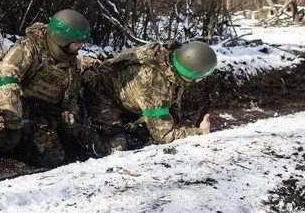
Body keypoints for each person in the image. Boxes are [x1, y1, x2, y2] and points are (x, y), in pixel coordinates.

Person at [0, 9, 100, 167]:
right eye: (77, 42)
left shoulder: (72, 65)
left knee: (53, 158)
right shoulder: (29, 48)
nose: (81, 46)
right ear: (62, 39)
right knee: (6, 140)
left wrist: (69, 116)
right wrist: (13, 120)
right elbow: (7, 80)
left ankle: (19, 149)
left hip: (38, 115)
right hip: (8, 105)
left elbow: (70, 97)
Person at [81, 40, 217, 154]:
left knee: (150, 129)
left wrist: (176, 120)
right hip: (102, 96)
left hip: (127, 94)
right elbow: (163, 136)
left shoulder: (170, 60)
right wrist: (200, 133)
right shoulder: (154, 84)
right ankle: (82, 139)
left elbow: (173, 100)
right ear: (191, 74)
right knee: (117, 147)